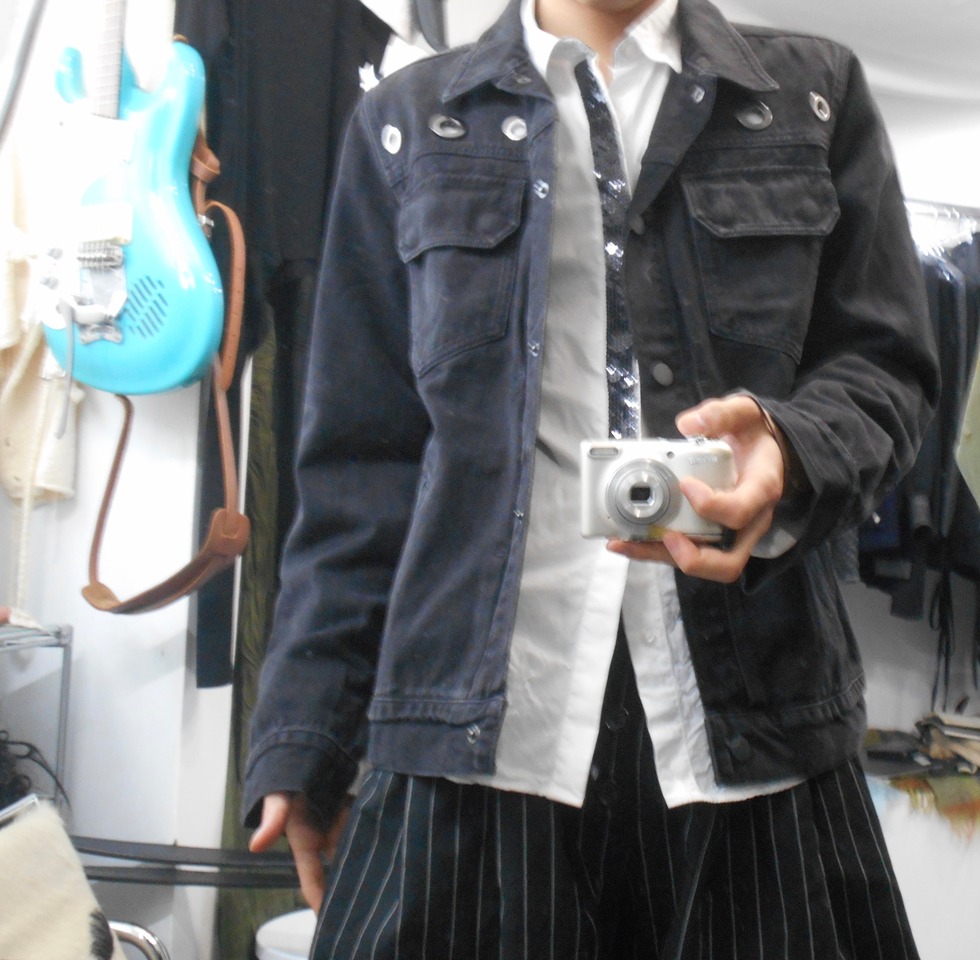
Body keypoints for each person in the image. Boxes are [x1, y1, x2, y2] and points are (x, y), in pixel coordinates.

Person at [244, 0, 939, 956]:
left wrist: (791, 449)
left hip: (752, 735)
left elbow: (886, 368)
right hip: (470, 746)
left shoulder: (811, 99)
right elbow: (361, 468)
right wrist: (307, 738)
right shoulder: (407, 122)